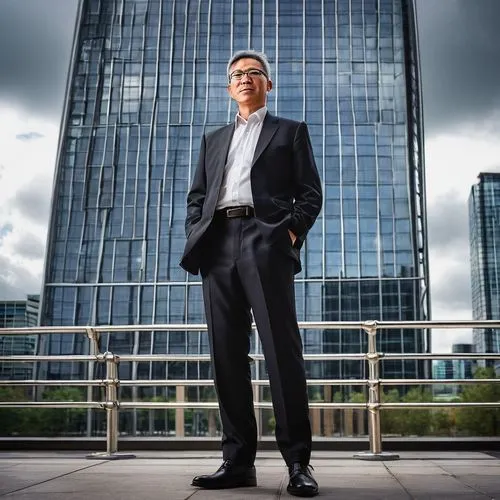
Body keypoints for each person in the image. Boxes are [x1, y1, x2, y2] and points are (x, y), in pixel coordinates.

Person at [180, 49, 322, 497]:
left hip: (266, 242)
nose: (245, 78)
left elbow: (310, 193)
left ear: (267, 84)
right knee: (226, 356)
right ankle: (237, 462)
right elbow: (197, 198)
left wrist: (290, 234)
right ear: (229, 88)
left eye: (254, 73)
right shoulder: (213, 139)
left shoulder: (290, 131)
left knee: (282, 352)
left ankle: (298, 463)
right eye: (237, 74)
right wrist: (198, 235)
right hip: (217, 244)